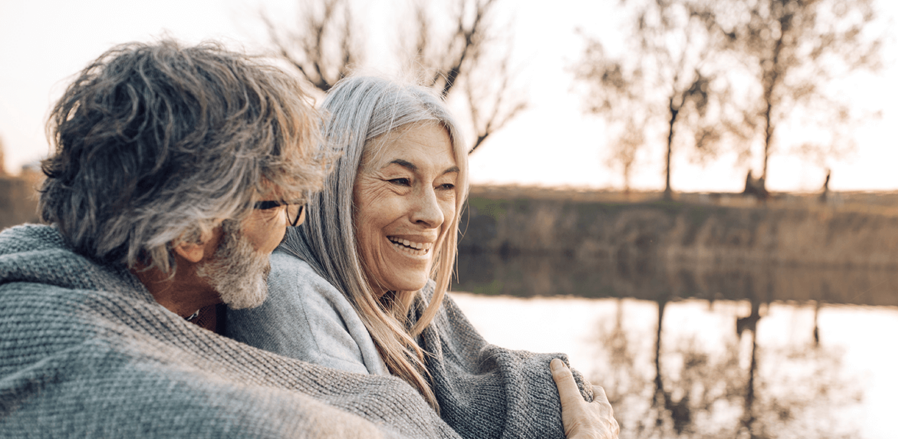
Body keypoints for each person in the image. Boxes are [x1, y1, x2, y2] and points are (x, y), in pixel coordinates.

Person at [0, 40, 474, 438]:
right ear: (191, 231)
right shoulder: (92, 364)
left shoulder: (188, 307)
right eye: (274, 205)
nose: (291, 226)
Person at [225, 76, 620, 439]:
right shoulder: (292, 295)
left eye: (446, 185)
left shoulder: (407, 303)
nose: (432, 214)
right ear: (333, 187)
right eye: (401, 181)